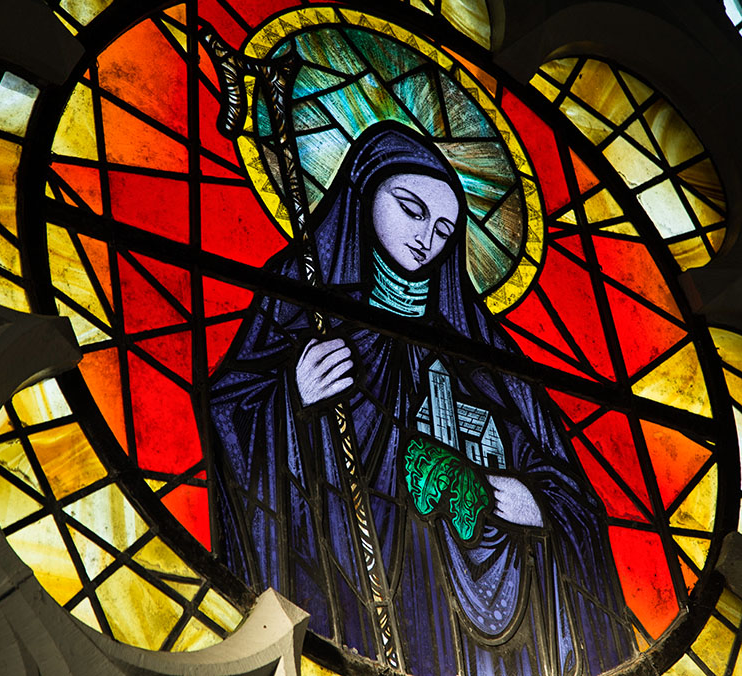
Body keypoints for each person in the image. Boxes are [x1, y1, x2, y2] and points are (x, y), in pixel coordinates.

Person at [210, 122, 635, 675]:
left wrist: (539, 505)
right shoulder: (303, 294)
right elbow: (229, 410)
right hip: (343, 586)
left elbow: (559, 478)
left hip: (476, 620)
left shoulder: (479, 348)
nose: (427, 239)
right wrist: (290, 395)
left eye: (443, 229)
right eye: (411, 209)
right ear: (364, 192)